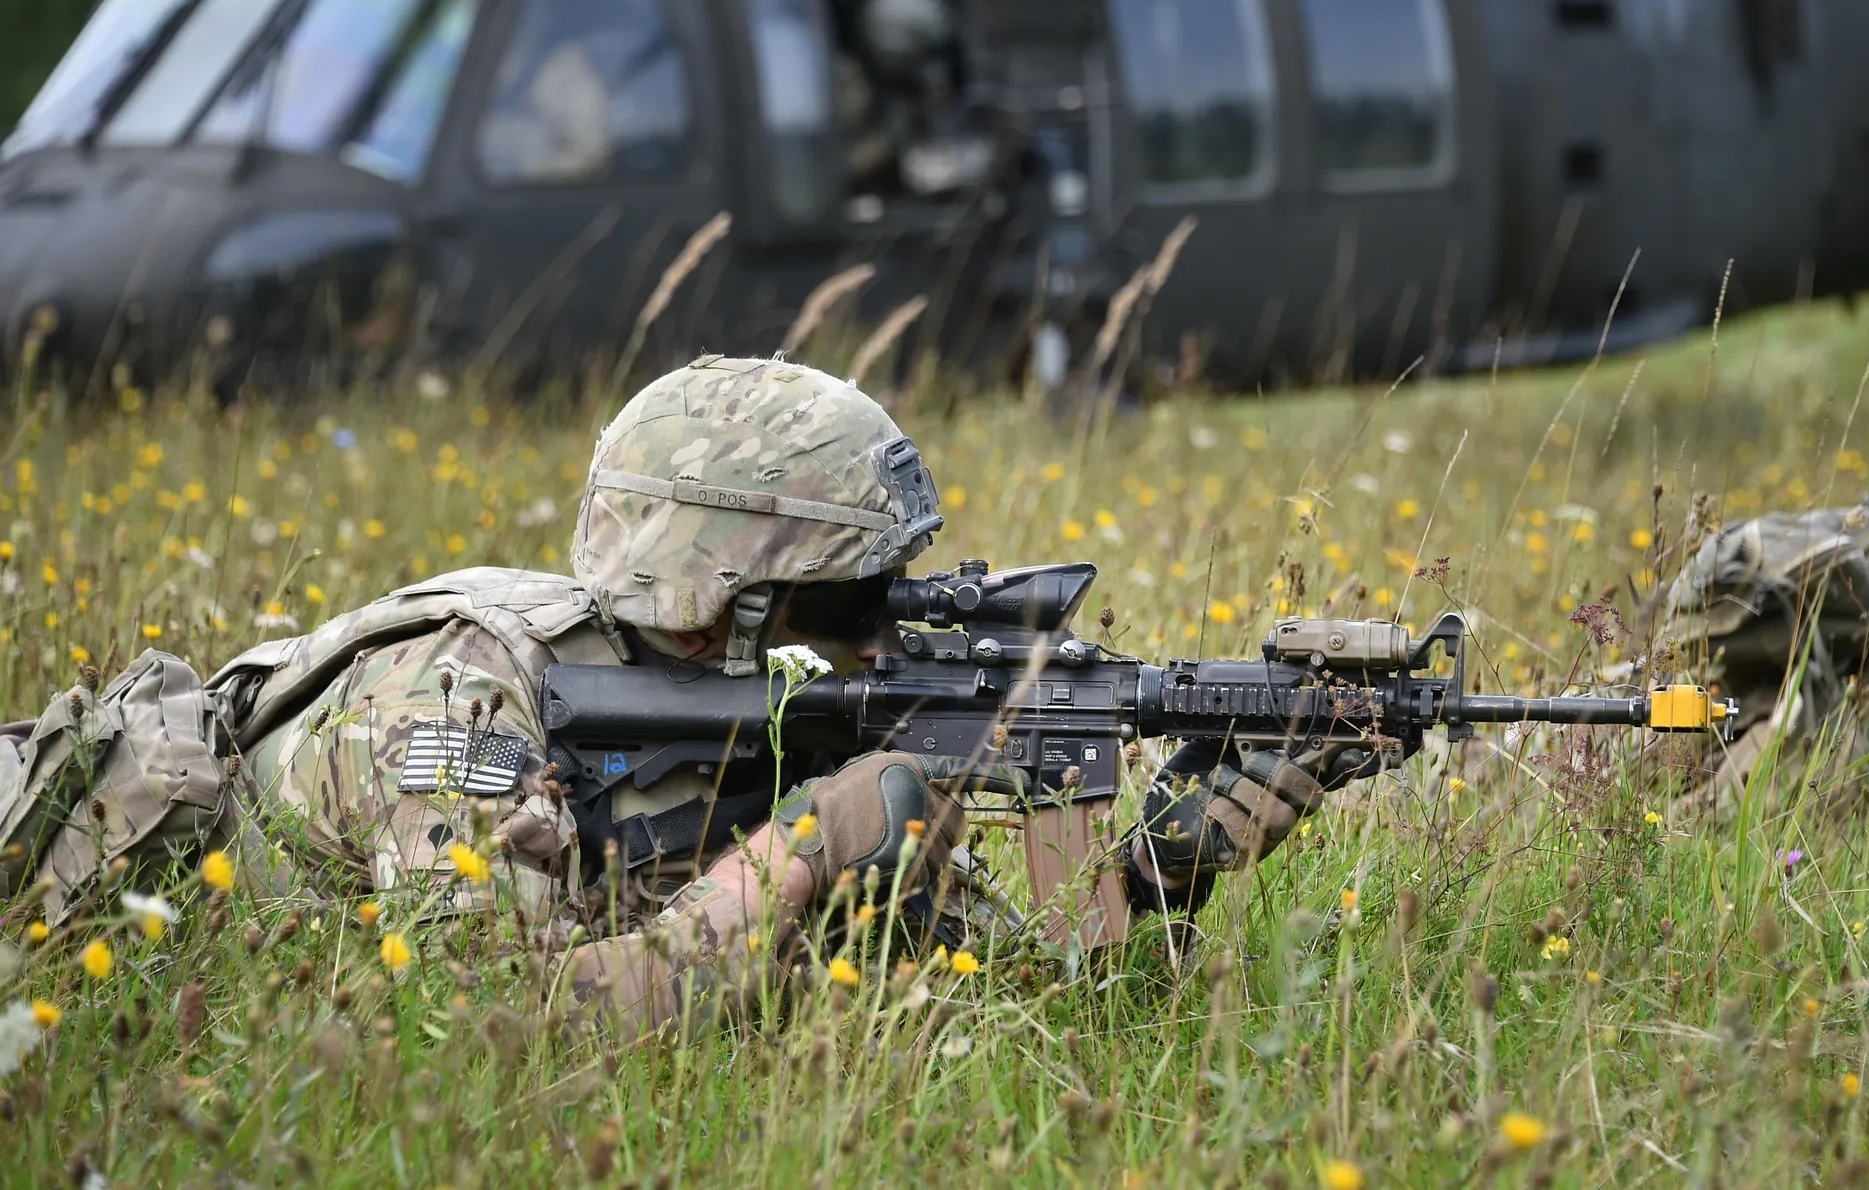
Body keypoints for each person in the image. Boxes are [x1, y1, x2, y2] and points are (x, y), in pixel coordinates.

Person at [0, 356, 1326, 1032]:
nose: (881, 641)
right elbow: (484, 1030)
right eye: (851, 601)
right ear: (726, 588)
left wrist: (1163, 870)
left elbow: (992, 1011)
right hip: (86, 917)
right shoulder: (465, 697)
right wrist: (799, 857)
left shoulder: (752, 698)